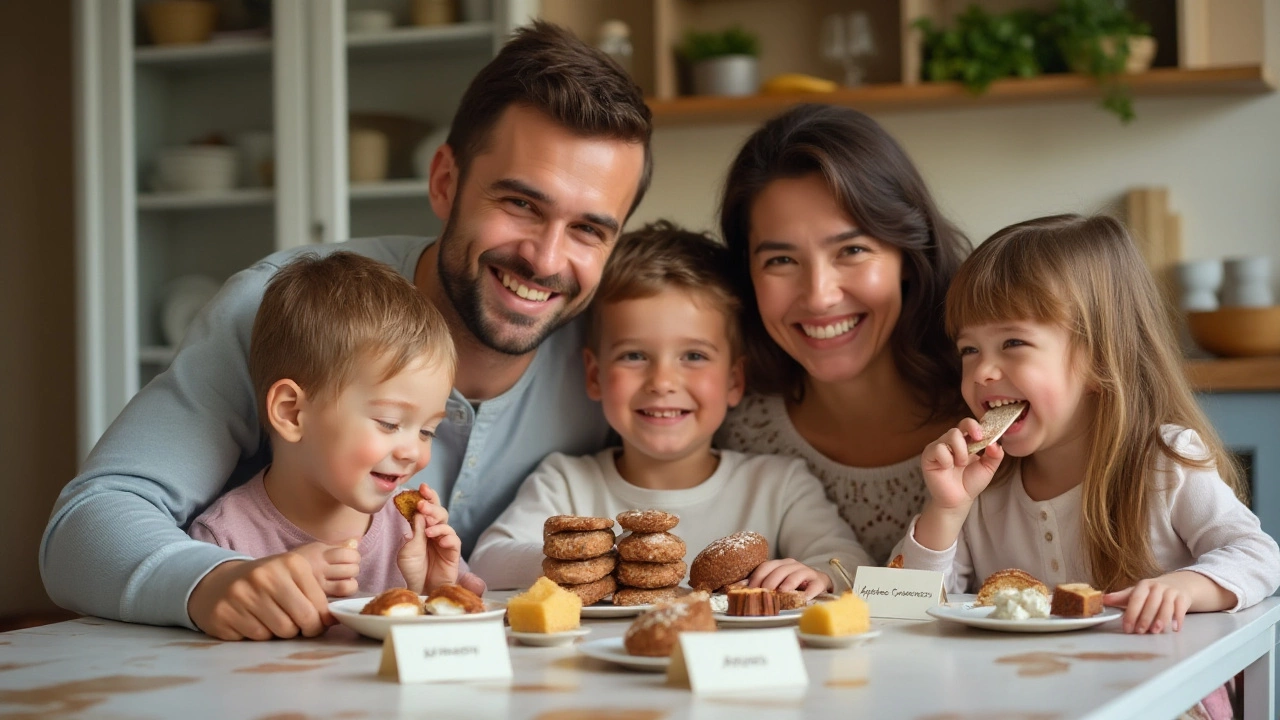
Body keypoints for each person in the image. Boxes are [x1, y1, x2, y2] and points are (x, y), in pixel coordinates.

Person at [41, 21, 652, 640]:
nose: (546, 260)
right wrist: (207, 582)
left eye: (588, 230)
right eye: (521, 204)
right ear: (445, 182)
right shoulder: (276, 305)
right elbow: (84, 529)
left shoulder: (619, 358)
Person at [896, 213, 1280, 623]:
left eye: (1013, 342)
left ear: (1098, 361)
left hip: (1161, 678)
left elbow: (1259, 556)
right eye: (969, 349)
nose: (982, 372)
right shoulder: (981, 488)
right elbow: (905, 607)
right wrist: (948, 509)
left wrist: (1186, 586)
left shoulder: (1163, 461)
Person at [470, 222, 874, 597]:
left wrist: (814, 575)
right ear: (594, 375)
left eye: (694, 356)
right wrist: (598, 564)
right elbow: (488, 561)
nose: (662, 381)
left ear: (734, 380)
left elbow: (851, 566)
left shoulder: (778, 485)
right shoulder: (567, 481)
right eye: (633, 355)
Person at [716, 104, 971, 564]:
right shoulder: (727, 430)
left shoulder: (988, 412)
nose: (818, 296)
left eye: (852, 250)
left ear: (908, 257)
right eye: (781, 260)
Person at [187, 254, 486, 637]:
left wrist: (434, 591)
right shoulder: (221, 541)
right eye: (390, 423)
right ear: (293, 413)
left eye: (427, 431)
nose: (414, 452)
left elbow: (466, 646)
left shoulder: (411, 534)